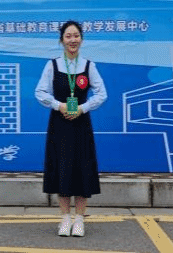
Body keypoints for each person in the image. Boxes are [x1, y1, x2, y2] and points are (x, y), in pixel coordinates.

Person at [34, 20, 107, 237]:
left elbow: (102, 94)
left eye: (76, 36)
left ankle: (80, 219)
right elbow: (40, 92)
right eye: (68, 36)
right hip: (60, 124)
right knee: (62, 169)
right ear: (61, 40)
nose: (72, 40)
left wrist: (82, 108)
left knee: (82, 169)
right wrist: (60, 105)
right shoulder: (53, 65)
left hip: (81, 124)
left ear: (81, 39)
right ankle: (65, 218)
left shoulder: (88, 66)